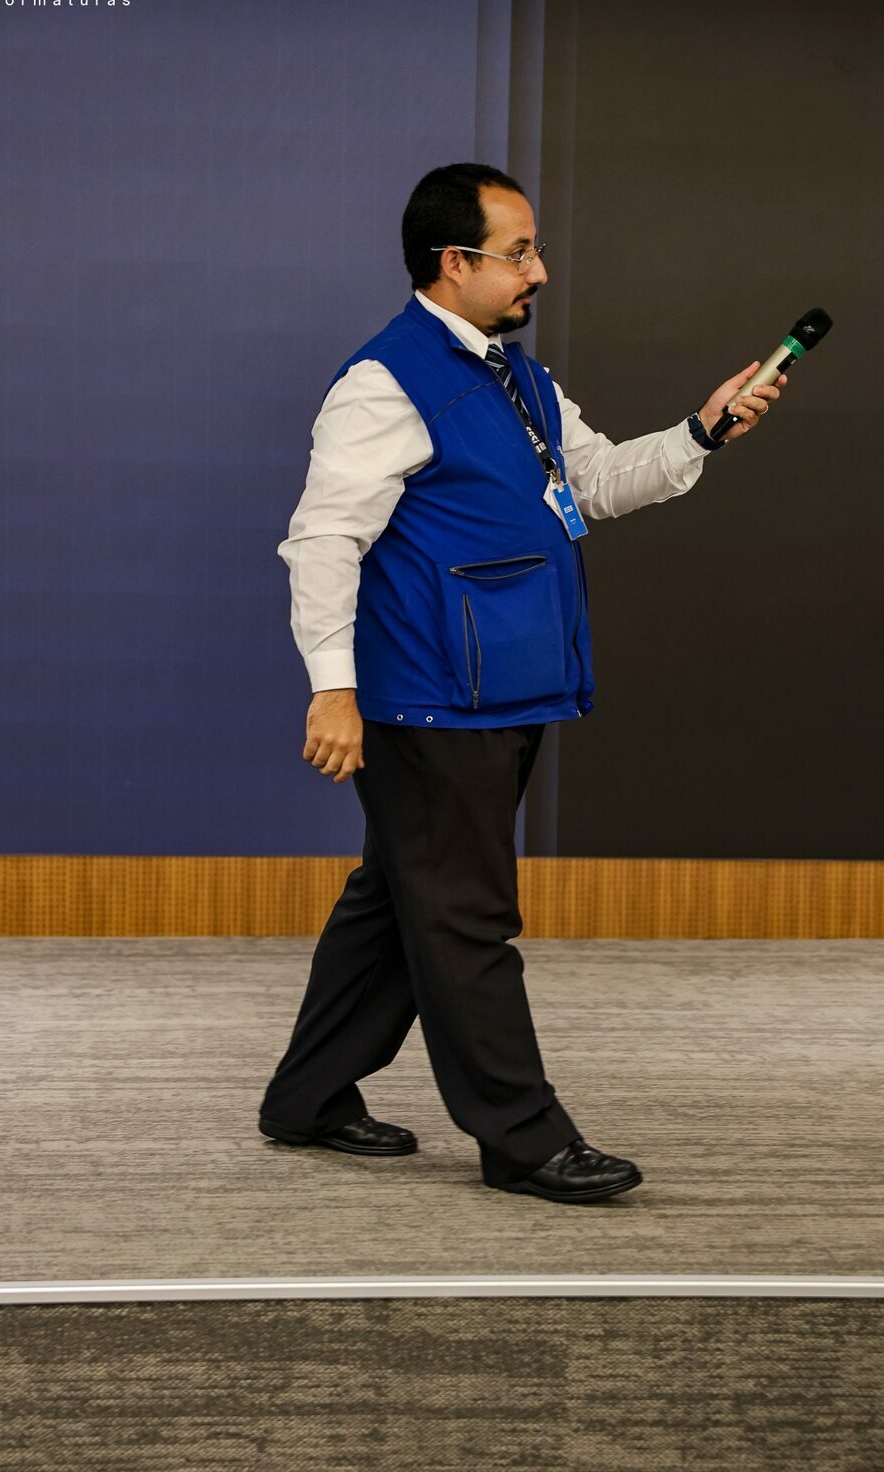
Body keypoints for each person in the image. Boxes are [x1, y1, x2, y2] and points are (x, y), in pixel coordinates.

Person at [258, 162, 784, 1205]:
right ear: (452, 263)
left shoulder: (516, 377)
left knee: (402, 896)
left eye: (534, 249)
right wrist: (332, 688)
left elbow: (590, 483)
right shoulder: (383, 383)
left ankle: (307, 1096)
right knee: (464, 915)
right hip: (427, 698)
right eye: (518, 253)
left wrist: (697, 431)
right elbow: (323, 539)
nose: (538, 271)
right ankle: (522, 1137)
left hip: (500, 689)